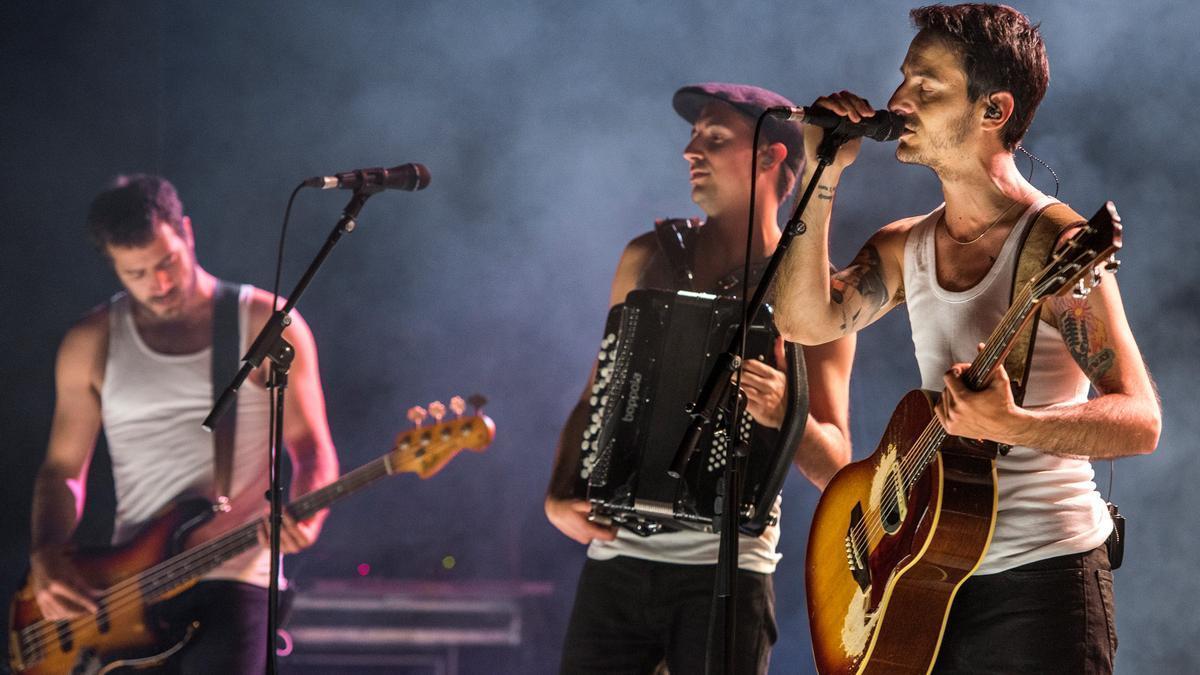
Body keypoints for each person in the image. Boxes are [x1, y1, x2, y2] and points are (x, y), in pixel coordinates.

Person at [774, 5, 1161, 673]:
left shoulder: (1059, 244)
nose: (898, 100)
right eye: (903, 81)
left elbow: (1140, 419)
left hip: (1044, 580)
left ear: (994, 110)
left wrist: (1016, 423)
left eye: (927, 86)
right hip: (926, 577)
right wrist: (823, 174)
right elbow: (802, 321)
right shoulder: (907, 245)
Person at [545, 83, 856, 674]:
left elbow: (837, 468)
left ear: (771, 157)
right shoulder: (646, 256)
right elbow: (598, 395)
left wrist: (786, 409)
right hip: (617, 558)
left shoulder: (823, 297)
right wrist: (559, 493)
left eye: (714, 138)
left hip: (728, 573)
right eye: (692, 138)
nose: (691, 152)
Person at [27, 175, 340, 673]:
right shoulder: (90, 342)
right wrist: (47, 553)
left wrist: (307, 510)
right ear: (114, 266)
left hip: (239, 574)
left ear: (187, 234)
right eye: (138, 273)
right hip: (128, 587)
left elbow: (312, 447)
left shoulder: (265, 321)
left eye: (168, 261)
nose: (161, 284)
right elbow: (62, 469)